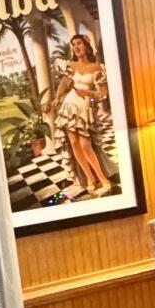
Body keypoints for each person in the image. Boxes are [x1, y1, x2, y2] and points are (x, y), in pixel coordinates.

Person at [51, 32, 116, 196]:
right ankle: (89, 179)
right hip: (69, 107)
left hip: (84, 108)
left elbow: (103, 95)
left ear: (86, 46)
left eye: (79, 43)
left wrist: (88, 93)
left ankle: (104, 179)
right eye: (73, 45)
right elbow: (64, 84)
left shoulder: (98, 68)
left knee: (86, 144)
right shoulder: (70, 66)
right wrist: (57, 99)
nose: (76, 47)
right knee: (74, 144)